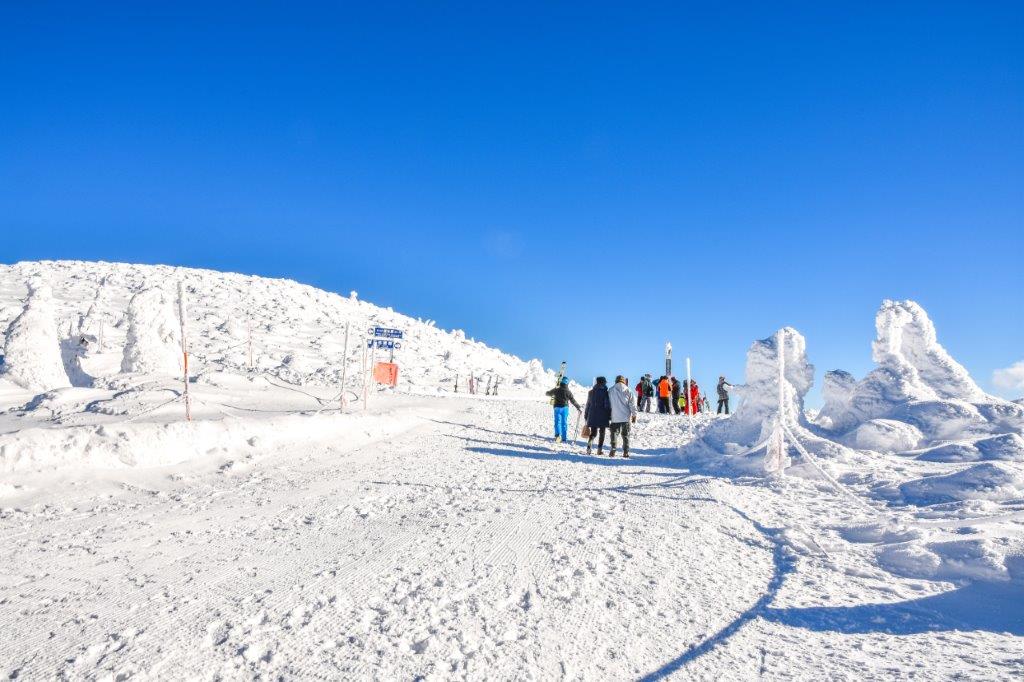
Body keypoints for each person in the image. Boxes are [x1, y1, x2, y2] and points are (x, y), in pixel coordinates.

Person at [607, 375, 638, 458]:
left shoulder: (611, 390)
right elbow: (632, 405)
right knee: (626, 435)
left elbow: (608, 403)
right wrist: (634, 415)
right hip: (625, 418)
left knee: (614, 434)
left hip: (615, 417)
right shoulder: (628, 390)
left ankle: (613, 449)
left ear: (616, 381)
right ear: (624, 381)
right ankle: (626, 452)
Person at [545, 376, 581, 442]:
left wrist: (551, 390)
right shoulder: (568, 392)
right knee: (564, 423)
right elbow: (573, 400)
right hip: (565, 408)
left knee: (557, 422)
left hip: (557, 408)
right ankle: (564, 438)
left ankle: (558, 436)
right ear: (567, 383)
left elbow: (548, 393)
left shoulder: (556, 389)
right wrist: (578, 407)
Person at [584, 376, 612, 455]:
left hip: (592, 415)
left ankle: (589, 447)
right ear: (603, 383)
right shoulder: (606, 393)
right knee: (602, 433)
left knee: (593, 433)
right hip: (603, 415)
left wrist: (586, 415)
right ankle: (599, 450)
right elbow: (607, 405)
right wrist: (609, 415)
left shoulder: (591, 392)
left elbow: (588, 404)